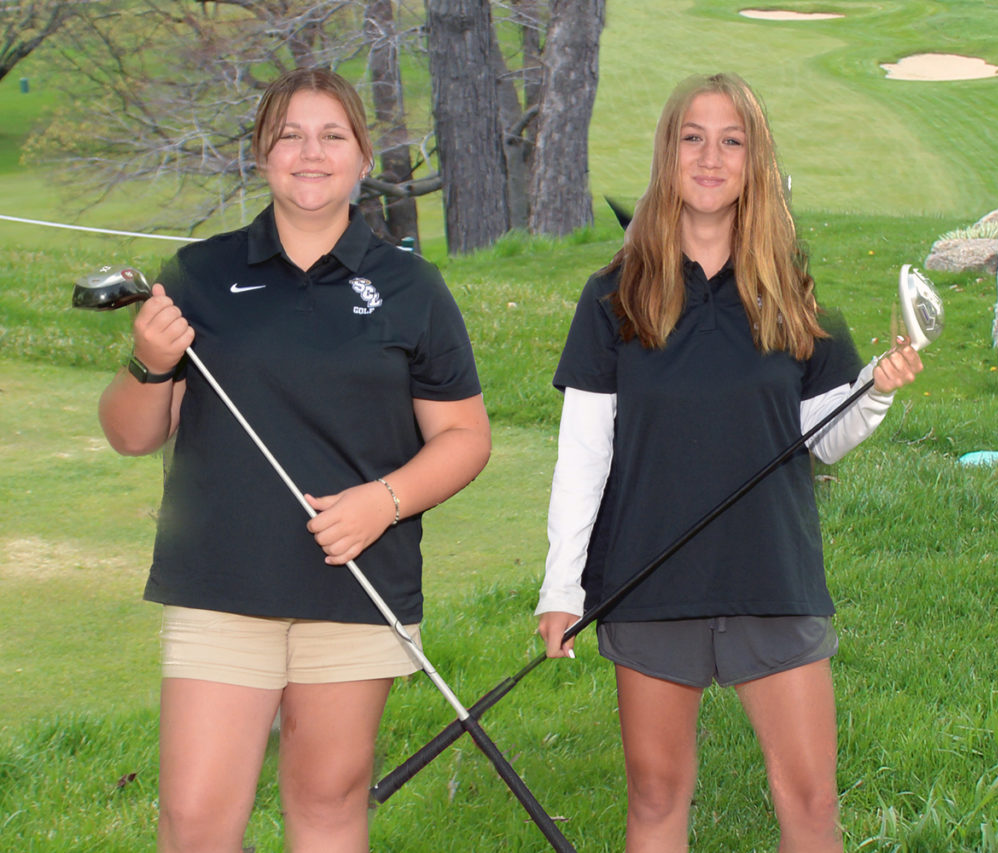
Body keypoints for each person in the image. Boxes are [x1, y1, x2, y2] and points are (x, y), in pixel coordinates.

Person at [98, 67, 491, 853]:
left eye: (331, 135)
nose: (310, 153)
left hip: (357, 585)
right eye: (289, 136)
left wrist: (383, 499)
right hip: (219, 581)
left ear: (362, 154)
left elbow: (464, 438)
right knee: (196, 822)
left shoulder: (412, 287)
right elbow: (132, 433)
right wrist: (147, 363)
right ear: (261, 153)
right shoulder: (199, 274)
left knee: (327, 805)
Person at [535, 72, 923, 852]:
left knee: (811, 800)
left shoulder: (792, 294)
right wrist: (561, 583)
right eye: (693, 138)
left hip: (771, 574)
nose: (711, 158)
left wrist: (872, 394)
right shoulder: (614, 296)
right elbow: (585, 449)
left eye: (732, 141)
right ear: (667, 154)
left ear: (755, 161)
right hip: (648, 577)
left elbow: (816, 435)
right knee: (655, 795)